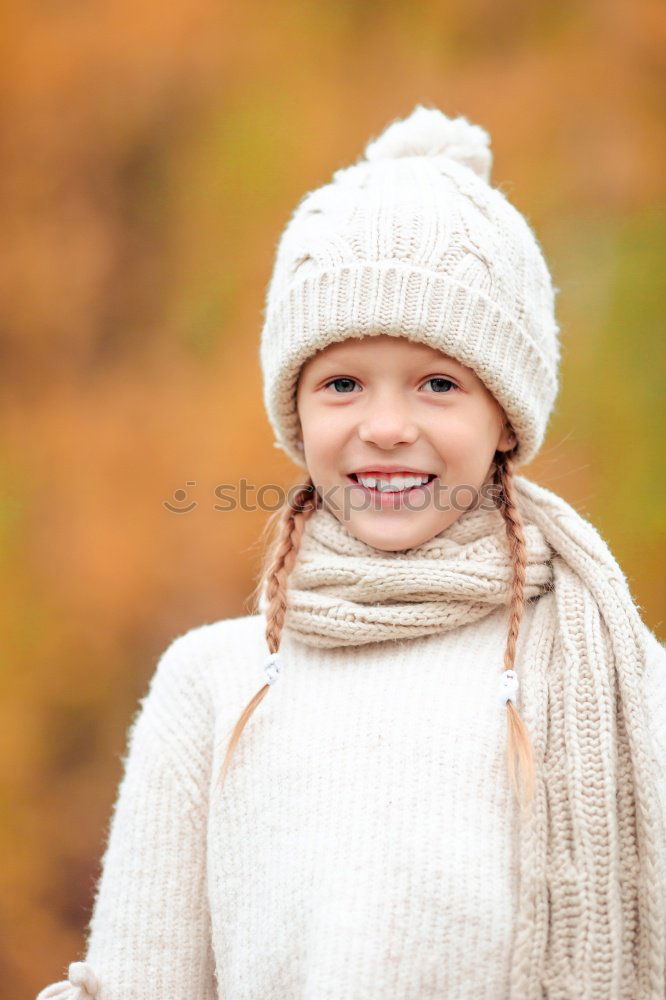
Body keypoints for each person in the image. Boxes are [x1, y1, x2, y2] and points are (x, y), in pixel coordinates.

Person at [36, 104, 666, 1000]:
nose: (385, 427)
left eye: (438, 383)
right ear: (297, 415)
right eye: (341, 383)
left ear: (505, 420)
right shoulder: (216, 682)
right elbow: (145, 978)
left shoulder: (616, 686)